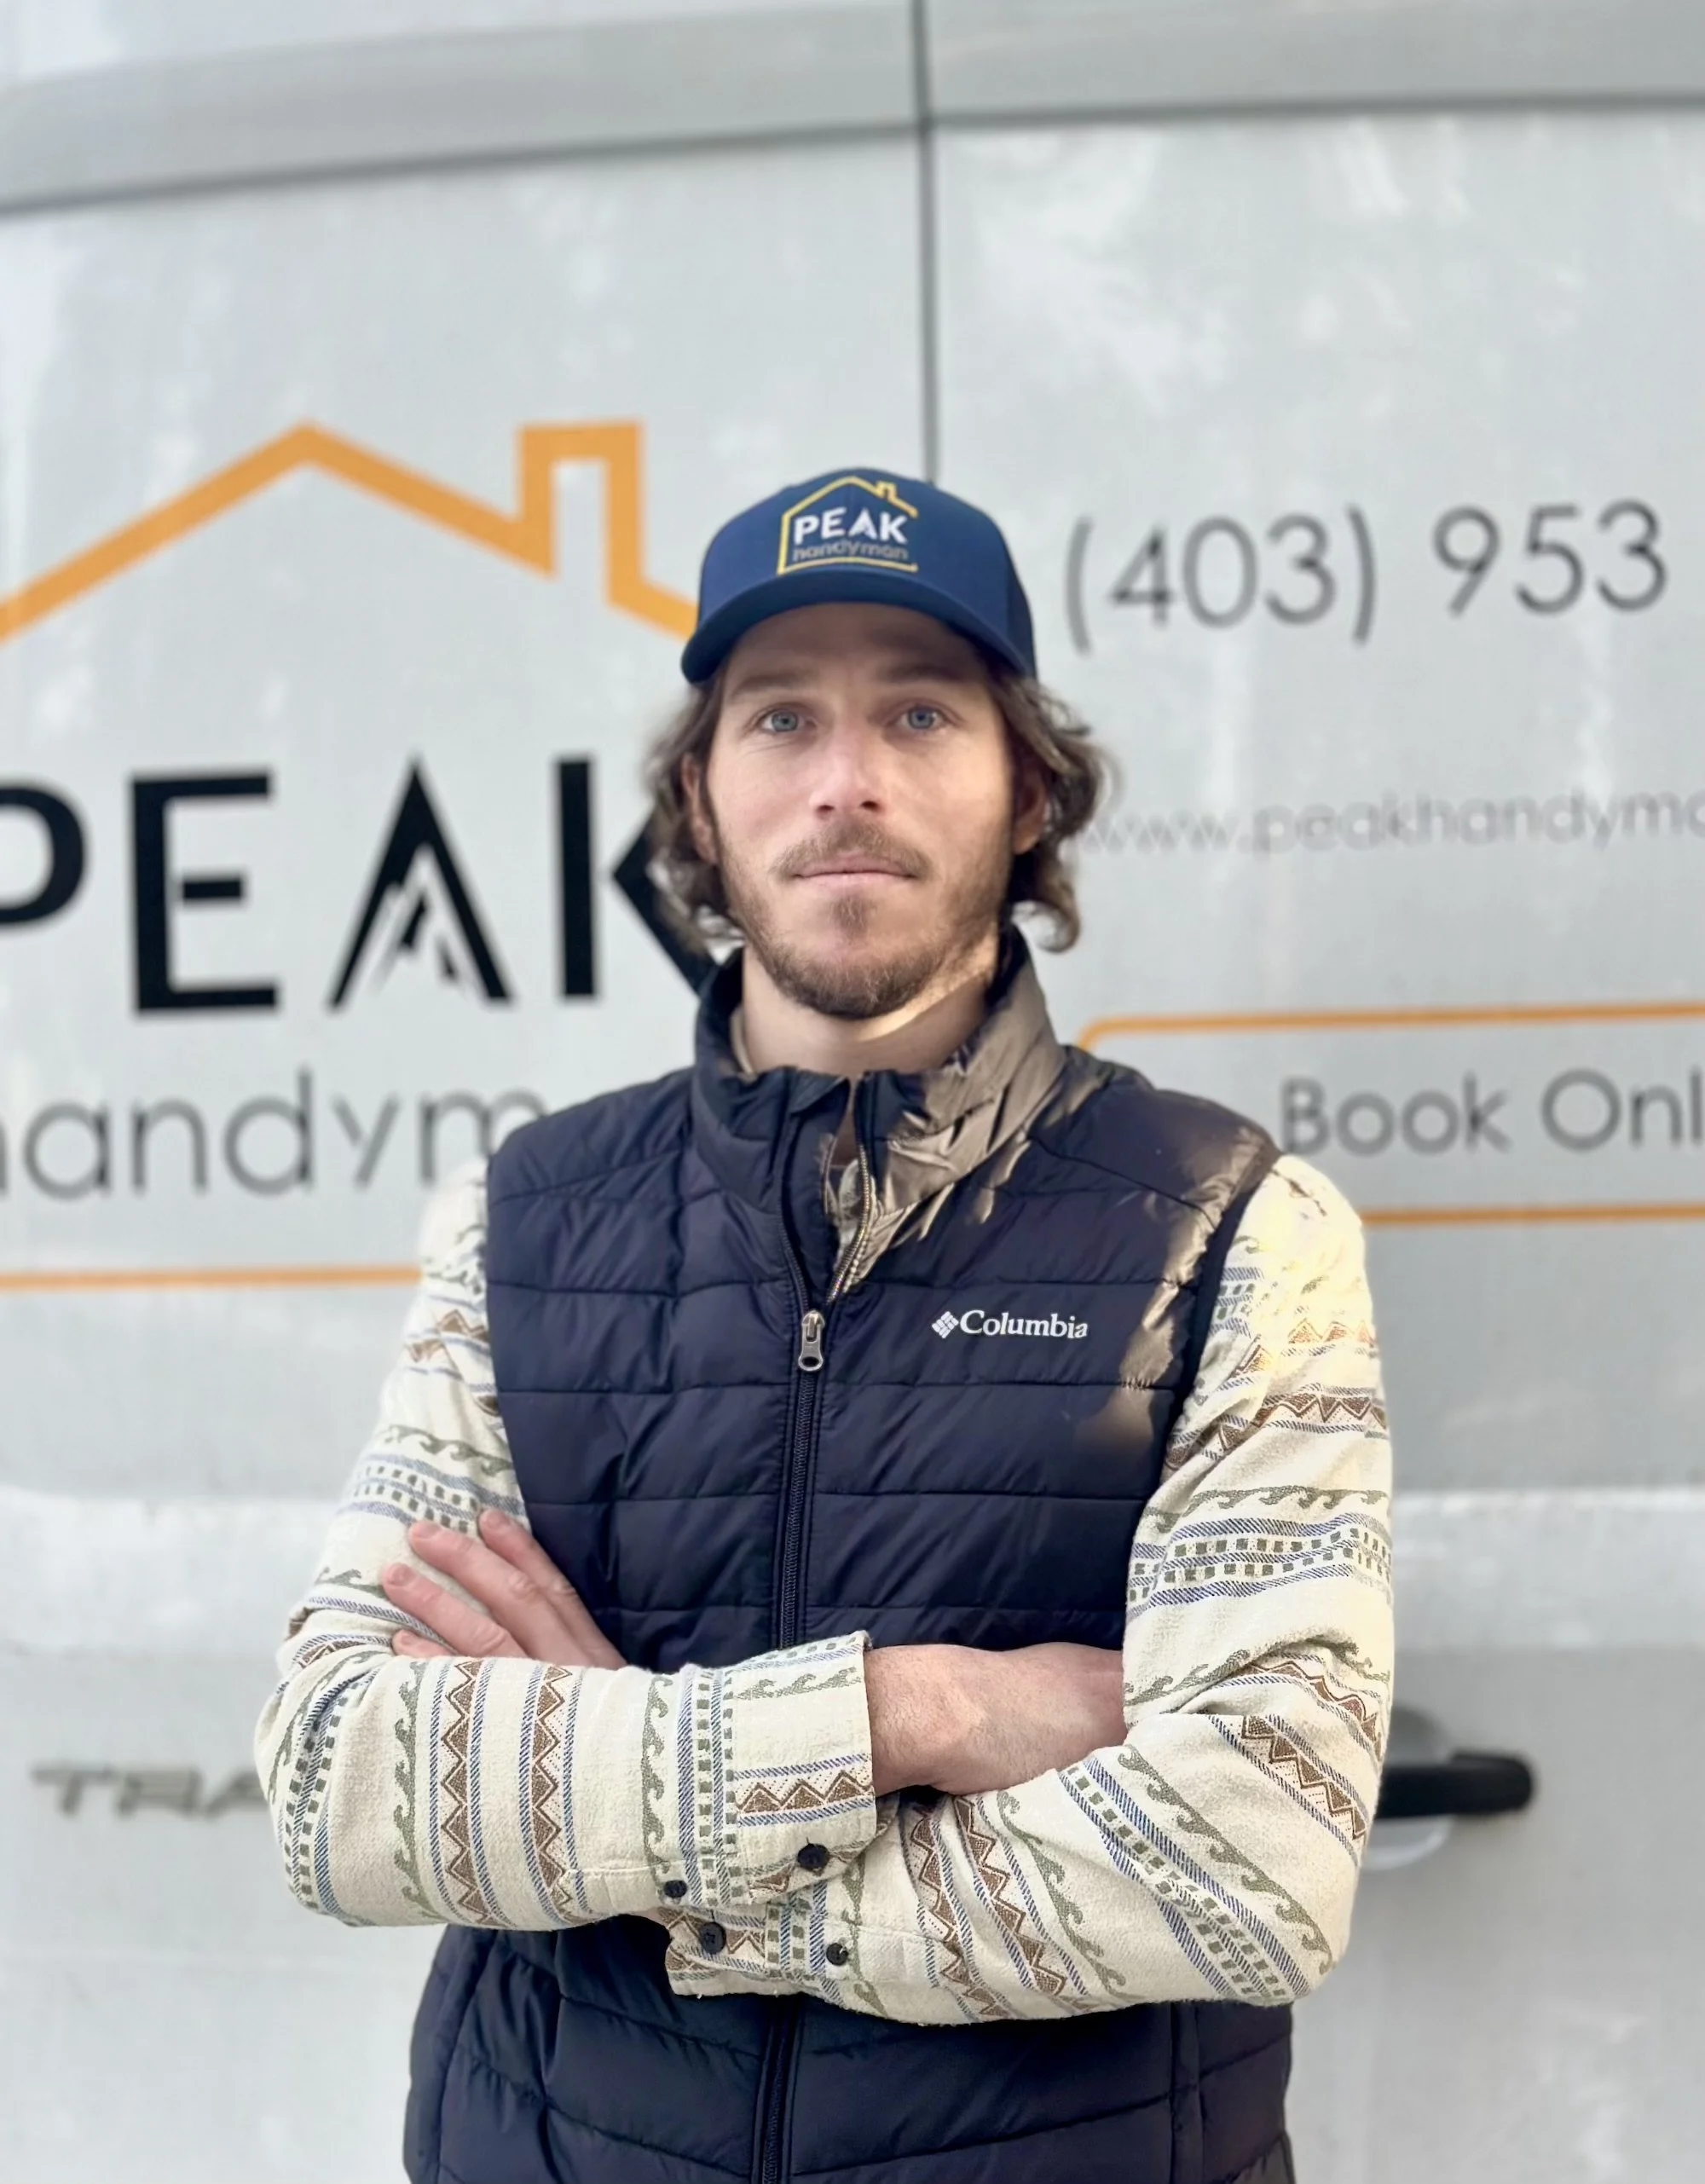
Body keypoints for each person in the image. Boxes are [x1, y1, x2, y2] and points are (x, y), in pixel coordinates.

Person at [258, 467, 1393, 2184]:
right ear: (700, 803)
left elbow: (1250, 1864)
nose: (846, 782)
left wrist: (652, 1840)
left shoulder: (1230, 1221)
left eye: (919, 713)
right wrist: (916, 1715)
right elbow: (341, 1781)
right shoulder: (527, 1219)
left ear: (1027, 792)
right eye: (781, 716)